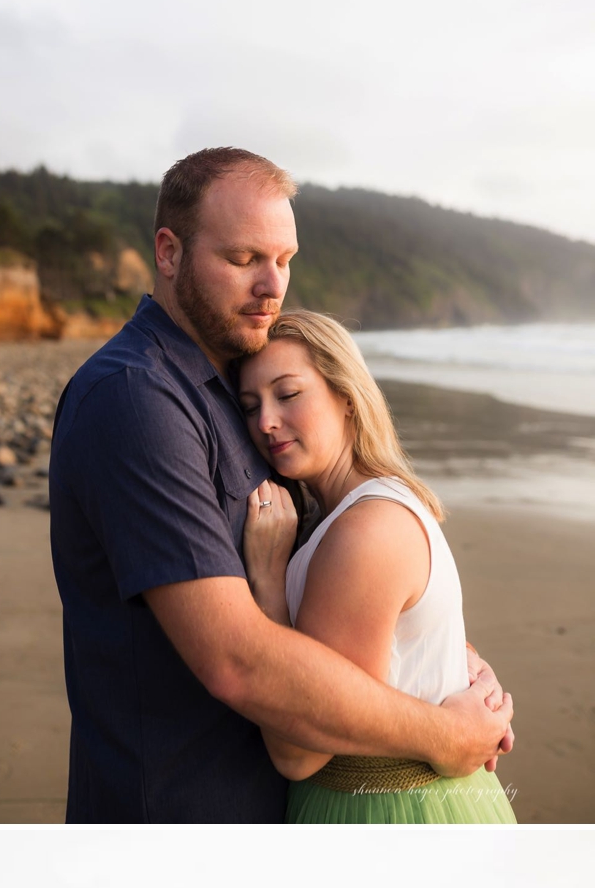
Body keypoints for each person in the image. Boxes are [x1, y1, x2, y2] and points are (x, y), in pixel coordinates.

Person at [47, 146, 512, 821]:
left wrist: (452, 660)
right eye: (243, 259)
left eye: (284, 261)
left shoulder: (236, 390)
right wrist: (447, 733)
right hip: (179, 816)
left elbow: (338, 591)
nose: (273, 286)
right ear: (169, 253)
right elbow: (238, 659)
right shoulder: (138, 401)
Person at [237, 314, 516, 823]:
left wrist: (268, 586)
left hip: (392, 810)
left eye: (288, 394)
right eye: (250, 406)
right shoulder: (349, 512)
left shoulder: (366, 530)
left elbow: (298, 753)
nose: (265, 422)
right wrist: (465, 660)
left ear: (346, 395)